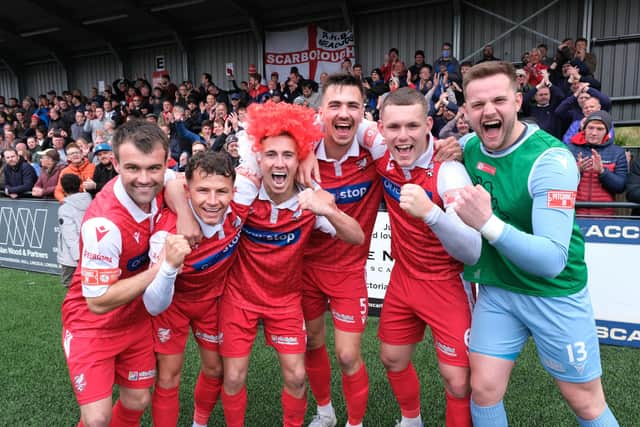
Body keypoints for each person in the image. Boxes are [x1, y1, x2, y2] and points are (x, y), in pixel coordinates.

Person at [455, 61, 619, 427]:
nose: (489, 111)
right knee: (483, 389)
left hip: (554, 293)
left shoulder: (551, 160)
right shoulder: (469, 146)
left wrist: (487, 223)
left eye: (498, 100)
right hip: (500, 291)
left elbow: (551, 260)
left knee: (585, 402)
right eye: (477, 105)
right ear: (465, 111)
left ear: (517, 102)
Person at [219, 101, 365, 427]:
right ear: (258, 158)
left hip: (285, 301)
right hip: (239, 298)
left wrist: (328, 210)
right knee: (233, 377)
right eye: (271, 155)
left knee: (297, 377)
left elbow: (356, 237)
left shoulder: (309, 198)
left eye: (288, 155)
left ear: (299, 157)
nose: (279, 163)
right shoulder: (243, 191)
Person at [367, 87, 480, 427]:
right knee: (391, 358)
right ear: (381, 128)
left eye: (413, 126)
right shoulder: (380, 150)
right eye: (394, 127)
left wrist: (432, 213)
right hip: (402, 278)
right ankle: (411, 420)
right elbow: (336, 118)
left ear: (429, 124)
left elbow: (473, 250)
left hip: (447, 284)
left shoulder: (448, 171)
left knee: (458, 382)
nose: (403, 136)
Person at [60, 120, 175, 427]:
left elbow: (176, 183)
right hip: (91, 325)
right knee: (97, 420)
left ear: (167, 164)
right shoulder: (104, 223)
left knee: (137, 400)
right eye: (133, 168)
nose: (144, 179)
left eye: (153, 168)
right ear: (115, 163)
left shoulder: (164, 183)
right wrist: (159, 268)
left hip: (134, 321)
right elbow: (97, 301)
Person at [146, 151, 257, 427]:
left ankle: (199, 423)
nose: (212, 200)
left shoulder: (242, 199)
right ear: (188, 191)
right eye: (202, 190)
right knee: (169, 376)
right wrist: (169, 267)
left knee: (216, 369)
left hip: (213, 302)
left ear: (234, 190)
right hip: (172, 307)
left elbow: (276, 157)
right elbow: (153, 302)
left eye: (221, 191)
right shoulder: (166, 234)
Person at [568, 110, 627, 216]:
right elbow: (558, 183)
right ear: (584, 129)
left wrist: (602, 172)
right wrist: (577, 171)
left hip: (604, 215)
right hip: (572, 214)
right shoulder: (569, 149)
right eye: (590, 128)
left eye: (600, 129)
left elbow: (620, 187)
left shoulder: (618, 152)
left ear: (607, 132)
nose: (594, 133)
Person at [57, 174, 92, 288]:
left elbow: (70, 235)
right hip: (91, 253)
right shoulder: (91, 202)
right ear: (79, 185)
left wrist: (78, 257)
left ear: (63, 189)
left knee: (71, 285)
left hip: (72, 258)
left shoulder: (65, 209)